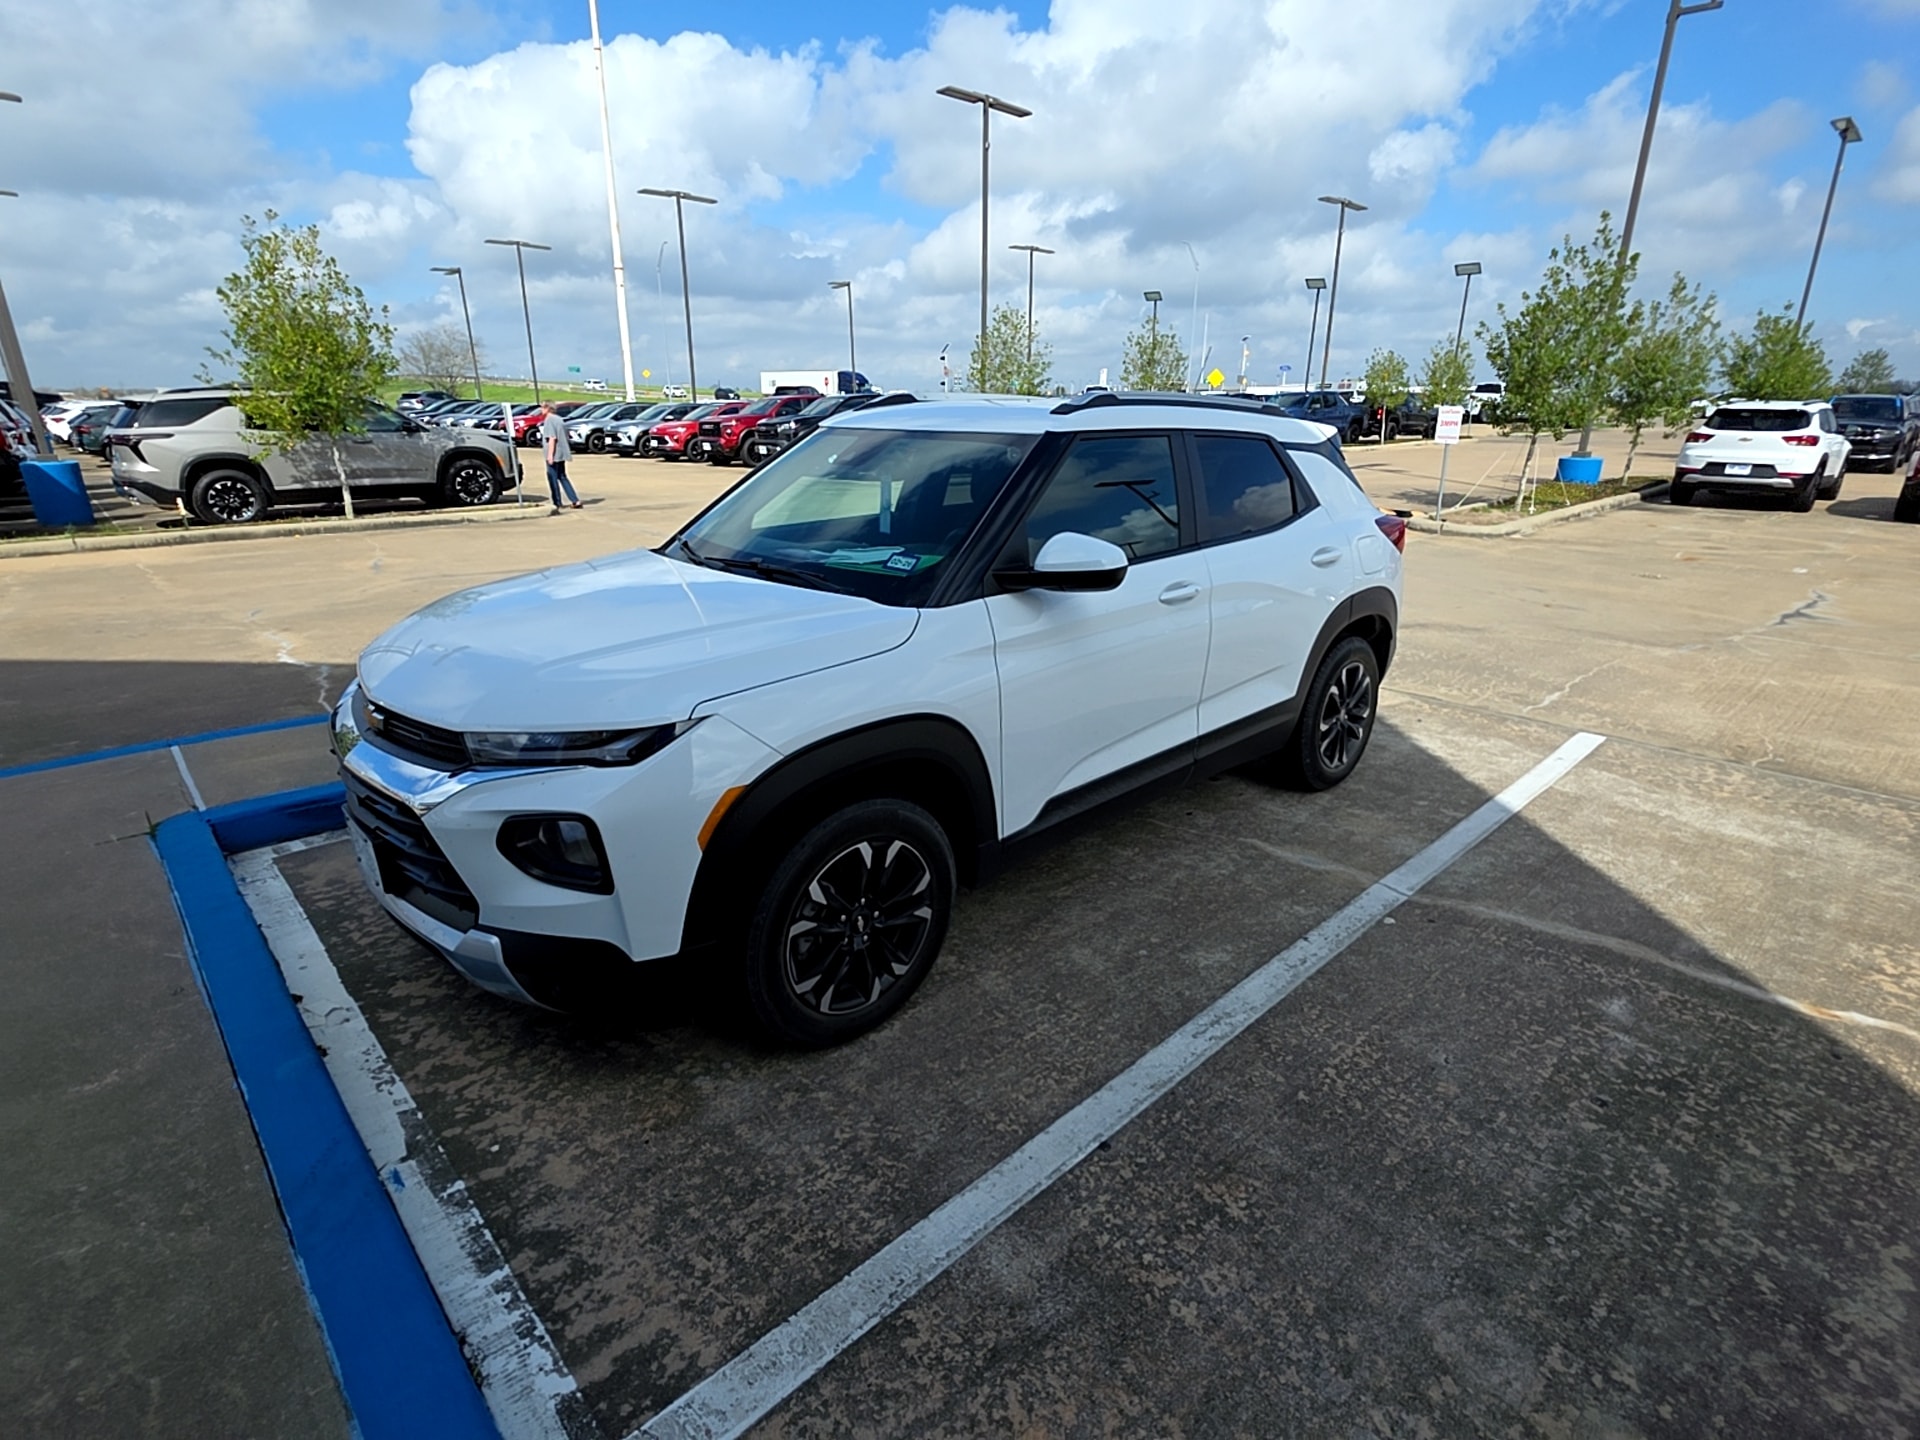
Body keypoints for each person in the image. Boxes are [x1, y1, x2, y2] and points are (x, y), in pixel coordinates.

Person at [537, 401, 582, 511]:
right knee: (562, 476)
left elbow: (552, 438)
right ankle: (575, 500)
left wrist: (550, 456)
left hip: (554, 454)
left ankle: (557, 502)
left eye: (542, 407)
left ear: (548, 408)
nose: (540, 409)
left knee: (552, 478)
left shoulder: (549, 420)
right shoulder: (559, 419)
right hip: (561, 453)